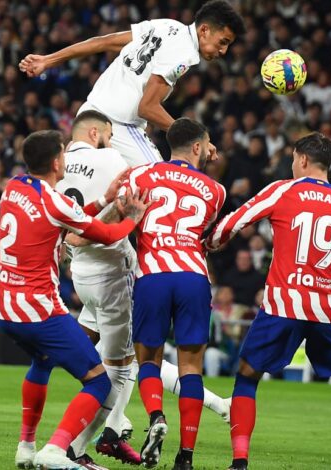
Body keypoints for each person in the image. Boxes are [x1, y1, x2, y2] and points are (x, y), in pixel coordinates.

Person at [206, 133, 331, 470]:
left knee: (247, 376)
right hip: (327, 308)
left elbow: (237, 220)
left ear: (301, 160)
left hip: (283, 304)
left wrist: (210, 242)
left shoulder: (283, 189)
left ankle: (239, 461)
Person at [0, 129, 148, 470]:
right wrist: (131, 219)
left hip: (4, 306)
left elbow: (62, 222)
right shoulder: (55, 202)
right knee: (98, 380)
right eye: (62, 155)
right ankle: (57, 450)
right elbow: (105, 234)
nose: (65, 160)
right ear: (55, 161)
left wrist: (104, 199)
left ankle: (26, 446)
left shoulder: (13, 187)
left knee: (42, 362)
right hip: (39, 310)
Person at [19, 0, 245, 167]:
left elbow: (104, 42)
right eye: (222, 42)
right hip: (119, 127)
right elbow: (147, 108)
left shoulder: (165, 25)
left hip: (88, 115)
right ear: (204, 30)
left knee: (93, 196)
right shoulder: (185, 55)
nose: (223, 51)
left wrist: (48, 59)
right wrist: (196, 138)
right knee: (160, 184)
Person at [122, 118, 226, 469]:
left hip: (152, 274)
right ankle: (186, 456)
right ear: (198, 147)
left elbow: (127, 218)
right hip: (193, 278)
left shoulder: (140, 175)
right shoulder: (215, 191)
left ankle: (156, 416)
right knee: (191, 367)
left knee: (147, 360)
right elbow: (204, 234)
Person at [56, 110, 142, 466]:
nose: (111, 140)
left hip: (78, 269)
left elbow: (66, 228)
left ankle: (109, 426)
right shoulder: (110, 158)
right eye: (109, 133)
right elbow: (135, 194)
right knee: (122, 366)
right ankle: (79, 447)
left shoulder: (56, 170)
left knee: (122, 356)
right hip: (111, 267)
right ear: (96, 132)